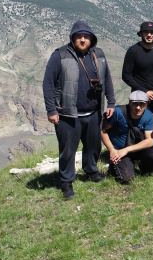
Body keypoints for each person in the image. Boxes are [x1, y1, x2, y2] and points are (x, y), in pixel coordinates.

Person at [42, 20, 115, 199]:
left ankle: (91, 171)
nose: (83, 40)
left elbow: (107, 79)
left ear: (92, 39)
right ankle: (66, 181)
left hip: (93, 112)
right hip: (68, 114)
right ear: (72, 38)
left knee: (93, 146)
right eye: (79, 36)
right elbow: (48, 83)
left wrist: (111, 102)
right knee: (68, 150)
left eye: (86, 36)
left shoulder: (98, 54)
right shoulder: (60, 55)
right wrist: (51, 110)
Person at [101, 91, 153, 184]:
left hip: (136, 149)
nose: (138, 107)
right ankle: (117, 167)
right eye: (135, 104)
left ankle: (143, 169)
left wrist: (127, 150)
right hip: (119, 151)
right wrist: (112, 150)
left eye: (142, 104)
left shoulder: (148, 115)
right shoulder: (118, 112)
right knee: (126, 179)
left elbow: (150, 141)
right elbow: (103, 130)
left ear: (146, 104)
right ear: (129, 103)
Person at [122, 21, 153, 119]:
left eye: (152, 32)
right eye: (146, 32)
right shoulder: (133, 50)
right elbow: (126, 75)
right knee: (139, 123)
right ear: (141, 34)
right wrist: (144, 91)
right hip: (139, 97)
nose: (149, 35)